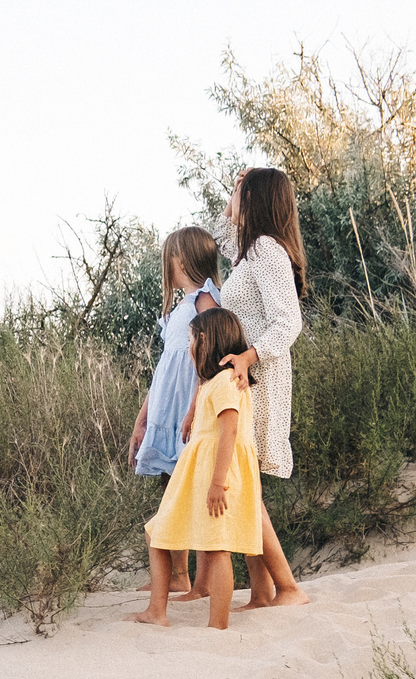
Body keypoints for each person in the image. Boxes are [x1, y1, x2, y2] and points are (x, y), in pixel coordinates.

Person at [207, 166, 311, 608]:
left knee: (245, 483)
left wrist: (250, 356)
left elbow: (289, 322)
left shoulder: (267, 250)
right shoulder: (247, 253)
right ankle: (263, 592)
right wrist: (236, 189)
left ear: (257, 201)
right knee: (247, 483)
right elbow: (217, 231)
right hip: (245, 380)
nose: (235, 201)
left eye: (241, 193)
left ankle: (287, 587)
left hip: (260, 379)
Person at [132, 308, 263, 631]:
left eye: (190, 339)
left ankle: (216, 625)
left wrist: (218, 483)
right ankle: (157, 611)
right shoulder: (216, 383)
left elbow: (229, 431)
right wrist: (193, 413)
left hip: (212, 475)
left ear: (204, 340)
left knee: (215, 547)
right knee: (159, 533)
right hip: (198, 473)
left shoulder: (225, 382)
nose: (188, 346)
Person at [128, 225, 223, 600]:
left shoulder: (205, 300)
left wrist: (195, 405)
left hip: (188, 409)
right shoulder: (178, 309)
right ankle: (177, 574)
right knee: (171, 485)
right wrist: (143, 419)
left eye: (169, 257)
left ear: (180, 260)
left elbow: (210, 357)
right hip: (166, 410)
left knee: (191, 488)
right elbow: (165, 368)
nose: (165, 264)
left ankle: (195, 580)